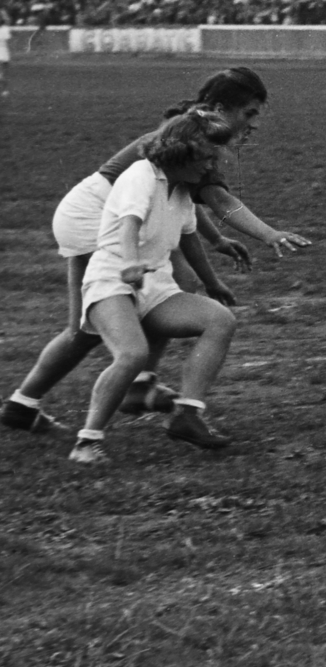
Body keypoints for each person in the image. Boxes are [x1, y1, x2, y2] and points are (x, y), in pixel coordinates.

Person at [2, 68, 311, 436]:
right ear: (216, 107)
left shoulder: (193, 129)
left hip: (101, 212)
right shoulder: (195, 137)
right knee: (105, 317)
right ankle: (131, 389)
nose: (253, 125)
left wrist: (215, 241)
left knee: (163, 291)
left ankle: (36, 403)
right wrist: (269, 234)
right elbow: (216, 198)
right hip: (96, 215)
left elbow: (182, 200)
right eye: (249, 113)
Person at [67, 112, 242, 464]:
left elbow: (189, 237)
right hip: (111, 280)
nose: (210, 168)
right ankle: (87, 442)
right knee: (131, 355)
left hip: (154, 285)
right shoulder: (141, 175)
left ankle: (187, 415)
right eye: (206, 158)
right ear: (180, 152)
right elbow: (128, 224)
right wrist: (130, 263)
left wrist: (212, 282)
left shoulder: (181, 190)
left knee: (220, 320)